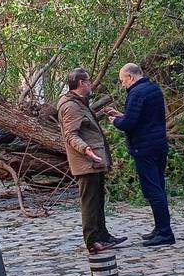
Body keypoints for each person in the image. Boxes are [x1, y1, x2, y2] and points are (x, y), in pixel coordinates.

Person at [57, 67, 126, 254]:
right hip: (86, 162)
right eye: (88, 80)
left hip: (94, 161)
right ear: (81, 83)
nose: (91, 83)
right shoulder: (70, 105)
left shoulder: (80, 102)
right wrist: (86, 149)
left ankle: (103, 236)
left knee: (97, 201)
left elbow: (86, 126)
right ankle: (92, 241)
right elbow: (71, 135)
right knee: (89, 203)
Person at [106, 63, 175, 246]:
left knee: (153, 190)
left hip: (145, 148)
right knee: (158, 188)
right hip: (158, 144)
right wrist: (122, 114)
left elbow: (129, 123)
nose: (122, 85)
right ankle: (160, 228)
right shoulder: (153, 89)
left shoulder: (136, 93)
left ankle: (165, 233)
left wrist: (115, 121)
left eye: (123, 81)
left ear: (131, 77)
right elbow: (144, 118)